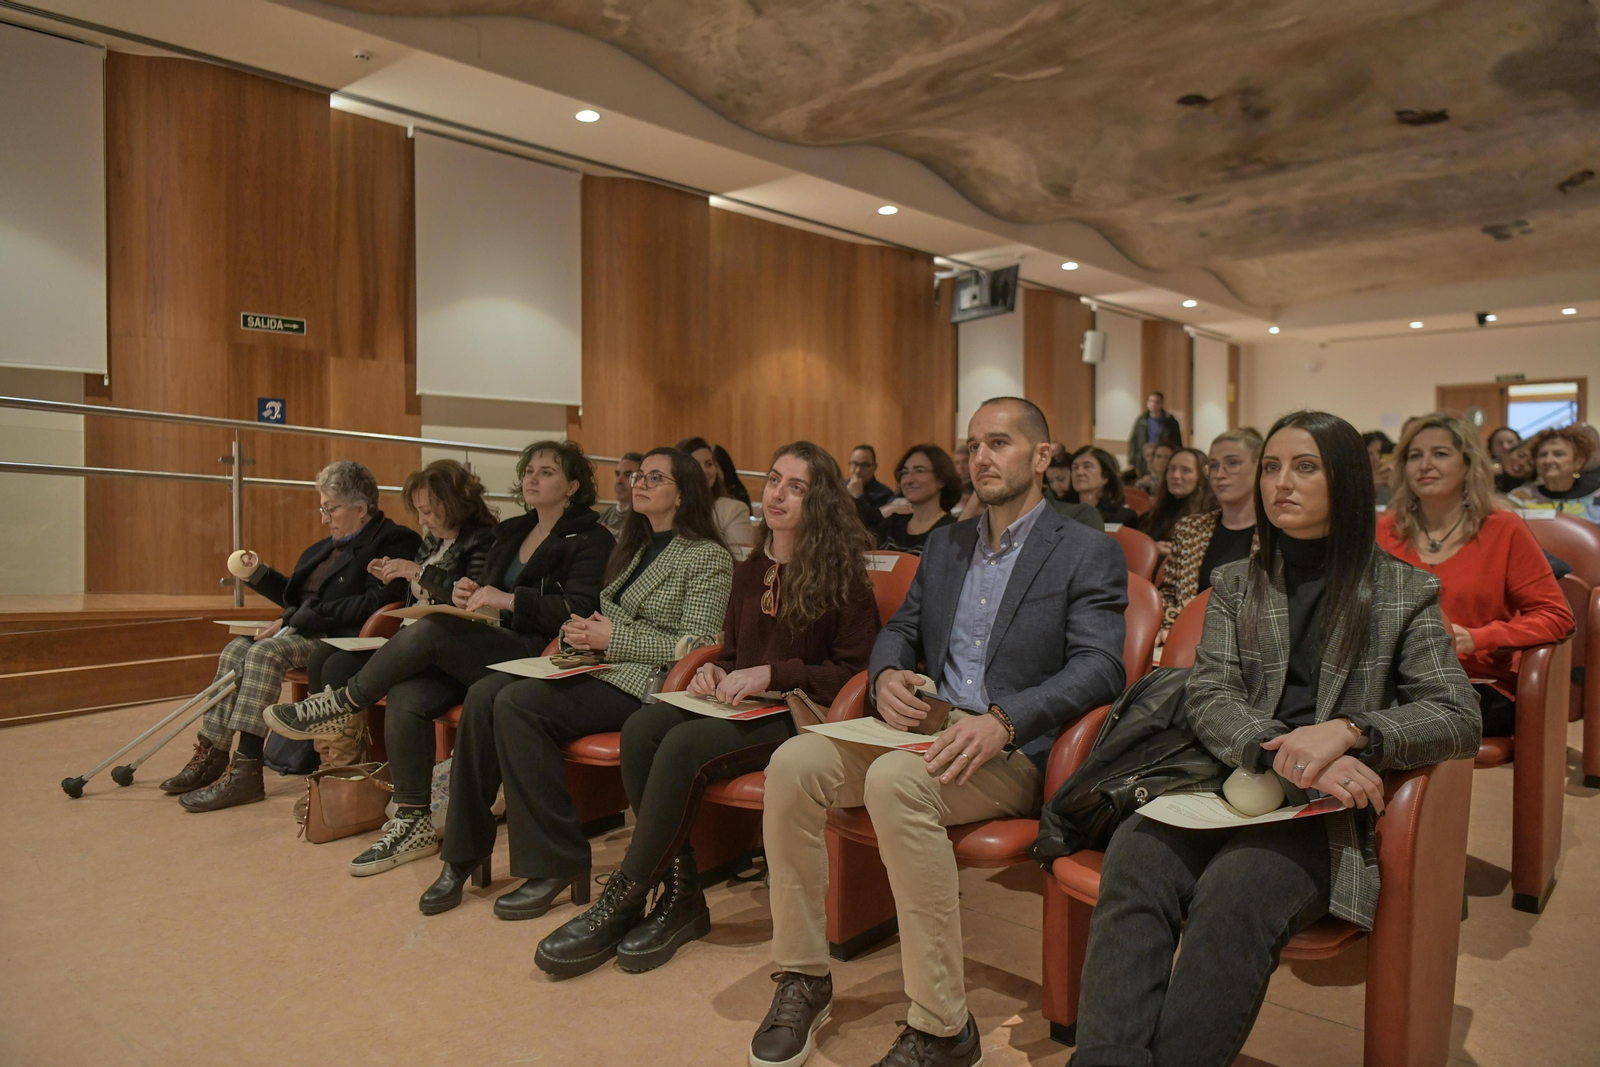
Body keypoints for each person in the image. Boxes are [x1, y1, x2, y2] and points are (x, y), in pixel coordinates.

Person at [1069, 410, 1480, 1067]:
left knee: (1237, 892)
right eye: (1272, 466)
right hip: (1228, 783)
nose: (1280, 482)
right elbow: (1209, 693)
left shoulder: (1404, 591)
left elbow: (1458, 715)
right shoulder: (1237, 584)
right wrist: (1277, 747)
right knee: (1135, 852)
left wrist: (1349, 731)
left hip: (1324, 815)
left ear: (1345, 480)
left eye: (1305, 466)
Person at [748, 397, 1127, 1067]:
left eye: (1001, 443)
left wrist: (1003, 721)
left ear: (1041, 457)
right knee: (795, 761)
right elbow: (898, 628)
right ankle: (803, 973)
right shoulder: (949, 542)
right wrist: (890, 670)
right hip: (926, 726)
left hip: (1010, 744)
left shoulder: (1085, 548)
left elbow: (1101, 666)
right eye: (974, 445)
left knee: (897, 782)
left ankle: (943, 1024)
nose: (982, 456)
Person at [534, 442, 881, 977]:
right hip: (742, 705)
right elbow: (736, 655)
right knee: (644, 725)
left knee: (681, 745)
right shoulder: (750, 569)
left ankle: (623, 900)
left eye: (797, 486)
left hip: (799, 712)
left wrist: (773, 674)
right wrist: (713, 670)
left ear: (822, 502)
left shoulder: (844, 577)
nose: (778, 494)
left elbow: (854, 672)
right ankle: (681, 895)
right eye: (773, 480)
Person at [262, 444, 613, 875]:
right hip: (491, 639)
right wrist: (468, 592)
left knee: (431, 630)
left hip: (537, 651)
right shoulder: (514, 530)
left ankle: (343, 703)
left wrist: (507, 599)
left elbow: (577, 606)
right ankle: (412, 820)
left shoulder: (591, 537)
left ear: (572, 486)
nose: (532, 479)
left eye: (547, 473)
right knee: (409, 692)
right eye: (529, 471)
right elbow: (483, 594)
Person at [420, 447, 733, 921]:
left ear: (683, 492)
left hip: (650, 685)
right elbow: (605, 616)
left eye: (655, 478)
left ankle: (556, 861)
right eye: (639, 476)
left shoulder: (707, 556)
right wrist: (581, 631)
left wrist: (613, 637)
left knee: (518, 705)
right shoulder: (637, 546)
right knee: (485, 693)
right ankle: (462, 853)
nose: (640, 484)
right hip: (599, 665)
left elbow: (702, 642)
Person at [162, 461, 420, 812]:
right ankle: (213, 753)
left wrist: (311, 615)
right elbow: (297, 600)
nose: (324, 517)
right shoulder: (325, 547)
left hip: (340, 637)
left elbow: (377, 601)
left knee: (264, 654)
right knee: (234, 650)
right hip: (307, 629)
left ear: (361, 509)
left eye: (331, 508)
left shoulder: (394, 539)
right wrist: (258, 575)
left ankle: (246, 770)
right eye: (322, 508)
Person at [294, 458, 497, 783]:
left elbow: (471, 601)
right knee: (323, 657)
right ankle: (334, 771)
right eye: (417, 511)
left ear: (453, 503)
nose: (421, 520)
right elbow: (416, 592)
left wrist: (416, 572)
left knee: (338, 668)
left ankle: (349, 776)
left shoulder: (481, 539)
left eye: (428, 511)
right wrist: (392, 571)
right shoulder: (432, 541)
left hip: (447, 648)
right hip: (407, 637)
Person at [1378, 415, 1573, 737]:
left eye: (1440, 454)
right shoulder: (1383, 530)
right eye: (1415, 456)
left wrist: (1477, 638)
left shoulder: (1503, 528)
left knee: (1385, 719)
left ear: (1468, 465)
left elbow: (1556, 616)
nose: (1425, 464)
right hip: (1391, 680)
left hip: (1475, 683)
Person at [1159, 428, 1262, 632]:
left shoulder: (1275, 534)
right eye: (1213, 466)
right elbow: (1169, 594)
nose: (1219, 474)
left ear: (1260, 468)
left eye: (1232, 463)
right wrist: (1169, 626)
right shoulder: (1190, 529)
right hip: (1189, 640)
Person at [877, 443, 960, 555]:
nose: (909, 480)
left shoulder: (952, 530)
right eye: (905, 473)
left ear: (941, 479)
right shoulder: (890, 526)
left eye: (919, 471)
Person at [1508, 426, 1600, 523]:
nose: (1548, 460)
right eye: (1542, 455)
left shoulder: (1597, 496)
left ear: (1578, 462)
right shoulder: (1519, 498)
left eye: (1558, 454)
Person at [679, 435, 756, 549]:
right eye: (695, 465)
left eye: (709, 464)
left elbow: (740, 561)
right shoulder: (669, 508)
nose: (704, 471)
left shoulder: (733, 510)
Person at [1141, 446, 1216, 548]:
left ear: (1201, 476)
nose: (1175, 475)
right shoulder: (1153, 515)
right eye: (1172, 469)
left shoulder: (1213, 516)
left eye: (1186, 470)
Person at [1063, 446, 1140, 527]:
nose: (1079, 472)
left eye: (1087, 466)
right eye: (1075, 467)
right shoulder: (1059, 512)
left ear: (1105, 476)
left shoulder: (1124, 517)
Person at [1127, 391, 1182, 475]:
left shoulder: (1170, 422)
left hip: (1162, 458)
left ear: (1161, 404)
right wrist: (1131, 461)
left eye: (1156, 402)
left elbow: (1177, 442)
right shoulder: (1141, 420)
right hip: (1143, 459)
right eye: (1151, 401)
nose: (1153, 404)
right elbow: (1133, 441)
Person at [598, 452, 643, 537]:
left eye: (628, 475)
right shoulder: (602, 516)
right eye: (617, 474)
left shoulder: (645, 520)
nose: (619, 481)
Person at [1487, 427, 1529, 493]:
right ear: (1491, 448)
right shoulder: (1485, 469)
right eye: (1500, 443)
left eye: (1510, 442)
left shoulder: (1528, 468)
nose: (1505, 447)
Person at [1362, 430, 1396, 506]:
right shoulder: (1355, 479)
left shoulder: (1396, 472)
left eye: (1380, 452)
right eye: (1369, 453)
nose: (1376, 458)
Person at [951, 442, 981, 521]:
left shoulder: (979, 483)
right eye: (957, 463)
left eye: (965, 462)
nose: (961, 467)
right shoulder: (952, 485)